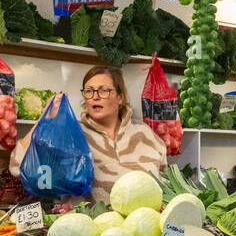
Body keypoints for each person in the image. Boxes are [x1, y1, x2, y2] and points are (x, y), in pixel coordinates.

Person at [10, 65, 166, 205]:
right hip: (89, 229)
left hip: (143, 228)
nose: (95, 96)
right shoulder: (70, 133)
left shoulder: (145, 134)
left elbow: (165, 182)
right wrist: (44, 118)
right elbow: (18, 167)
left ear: (120, 97)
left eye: (104, 90)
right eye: (89, 91)